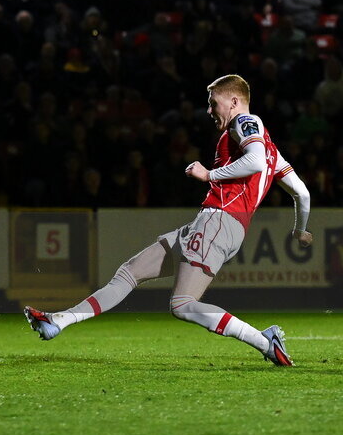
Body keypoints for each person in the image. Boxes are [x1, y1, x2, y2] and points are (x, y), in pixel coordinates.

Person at [25, 75, 312, 367]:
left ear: (234, 102)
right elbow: (302, 194)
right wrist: (300, 230)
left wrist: (209, 174)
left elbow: (254, 160)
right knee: (130, 271)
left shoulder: (246, 121)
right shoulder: (275, 153)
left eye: (214, 103)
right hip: (214, 223)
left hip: (219, 221)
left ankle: (265, 342)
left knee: (183, 305)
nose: (210, 110)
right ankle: (58, 321)